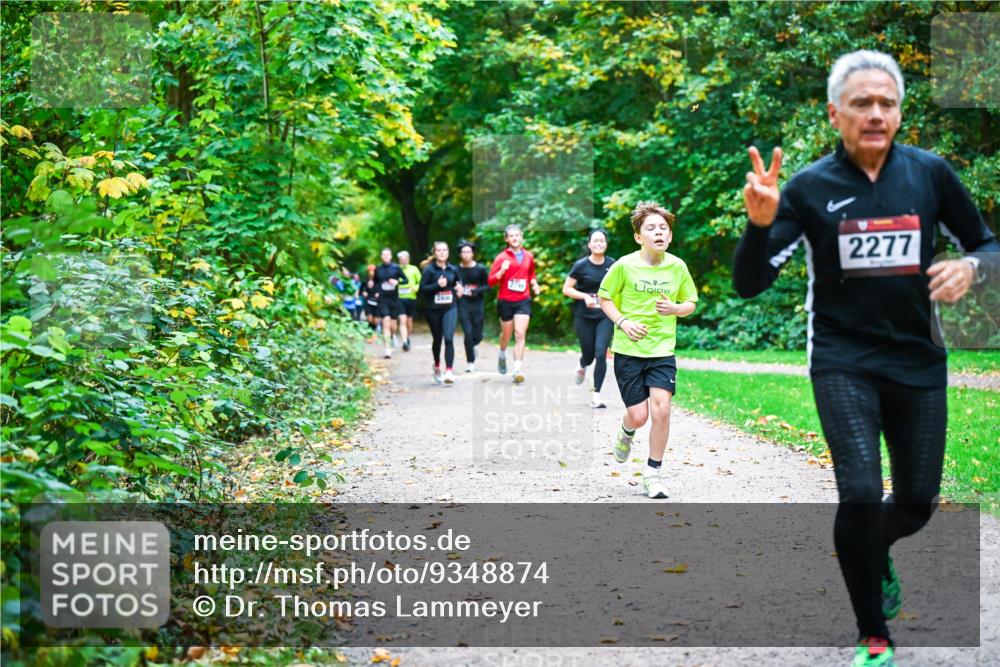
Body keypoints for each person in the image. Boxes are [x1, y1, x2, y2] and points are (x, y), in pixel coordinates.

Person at [732, 50, 998, 667]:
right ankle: (873, 634)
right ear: (835, 114)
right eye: (861, 103)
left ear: (900, 112)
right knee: (858, 493)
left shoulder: (930, 175)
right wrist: (757, 225)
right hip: (842, 359)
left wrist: (971, 267)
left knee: (915, 503)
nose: (876, 114)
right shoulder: (806, 188)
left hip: (919, 361)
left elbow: (987, 243)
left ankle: (871, 551)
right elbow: (749, 284)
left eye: (887, 103)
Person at [598, 201, 697, 500]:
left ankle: (653, 474)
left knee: (662, 410)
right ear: (639, 237)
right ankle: (626, 431)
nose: (658, 232)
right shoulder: (624, 266)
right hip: (629, 350)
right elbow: (604, 298)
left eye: (663, 228)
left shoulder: (677, 266)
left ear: (669, 236)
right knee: (639, 416)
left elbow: (690, 304)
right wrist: (623, 322)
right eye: (650, 228)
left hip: (662, 351)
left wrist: (676, 308)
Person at [563, 229, 615, 408]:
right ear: (589, 244)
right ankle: (583, 364)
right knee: (589, 354)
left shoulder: (613, 265)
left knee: (601, 353)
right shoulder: (581, 265)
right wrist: (584, 296)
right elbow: (567, 288)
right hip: (583, 316)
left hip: (605, 315)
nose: (599, 243)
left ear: (606, 244)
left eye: (602, 241)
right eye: (595, 241)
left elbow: (619, 287)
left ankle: (596, 395)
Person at [487, 224, 540, 383]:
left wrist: (534, 284)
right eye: (511, 236)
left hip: (523, 300)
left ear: (522, 236)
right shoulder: (501, 257)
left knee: (520, 333)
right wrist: (502, 271)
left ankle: (517, 369)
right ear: (506, 239)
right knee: (507, 334)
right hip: (506, 301)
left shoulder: (529, 256)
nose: (515, 238)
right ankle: (502, 352)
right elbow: (490, 281)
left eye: (517, 235)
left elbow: (531, 273)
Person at [418, 241, 462, 384]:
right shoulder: (429, 270)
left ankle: (449, 371)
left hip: (450, 307)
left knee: (448, 338)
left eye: (445, 250)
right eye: (439, 250)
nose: (442, 252)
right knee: (438, 339)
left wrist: (459, 289)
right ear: (435, 253)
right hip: (433, 310)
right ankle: (437, 365)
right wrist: (437, 285)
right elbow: (422, 290)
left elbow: (458, 283)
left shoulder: (453, 269)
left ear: (448, 252)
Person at [456, 240, 488, 373]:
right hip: (462, 304)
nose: (466, 254)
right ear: (460, 254)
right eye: (463, 252)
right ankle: (470, 362)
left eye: (469, 251)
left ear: (473, 253)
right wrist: (456, 290)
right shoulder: (456, 269)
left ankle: (474, 344)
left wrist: (475, 291)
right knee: (467, 333)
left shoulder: (480, 269)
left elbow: (488, 286)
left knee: (478, 334)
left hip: (477, 304)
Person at [373, 248, 407, 359]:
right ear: (381, 257)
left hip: (394, 299)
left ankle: (393, 336)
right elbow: (375, 282)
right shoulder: (378, 269)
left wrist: (398, 282)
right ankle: (387, 349)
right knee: (385, 323)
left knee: (393, 325)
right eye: (384, 255)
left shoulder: (396, 268)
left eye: (388, 255)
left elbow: (405, 280)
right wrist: (377, 292)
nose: (386, 257)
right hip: (383, 299)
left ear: (391, 256)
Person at [397, 250, 422, 351]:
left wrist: (415, 288)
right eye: (401, 260)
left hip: (411, 298)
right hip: (399, 298)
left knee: (409, 321)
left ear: (408, 259)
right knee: (402, 320)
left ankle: (408, 338)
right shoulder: (396, 269)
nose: (403, 261)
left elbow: (421, 282)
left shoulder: (414, 269)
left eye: (405, 259)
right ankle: (404, 342)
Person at [359, 264, 379, 339]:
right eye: (370, 271)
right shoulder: (365, 280)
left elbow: (381, 289)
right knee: (369, 318)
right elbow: (361, 290)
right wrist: (363, 293)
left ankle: (374, 332)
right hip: (368, 302)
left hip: (376, 302)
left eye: (373, 271)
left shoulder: (378, 280)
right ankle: (370, 334)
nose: (371, 272)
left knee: (375, 321)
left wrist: (378, 293)